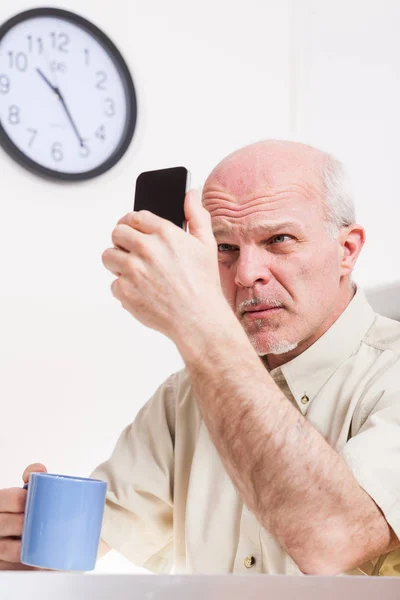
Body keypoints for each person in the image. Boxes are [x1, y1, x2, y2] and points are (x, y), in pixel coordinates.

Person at [1, 140, 399, 575]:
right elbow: (87, 537)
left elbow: (332, 539)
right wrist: (25, 538)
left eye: (278, 239)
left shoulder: (389, 372)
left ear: (348, 250)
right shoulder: (185, 395)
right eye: (224, 248)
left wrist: (200, 324)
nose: (246, 274)